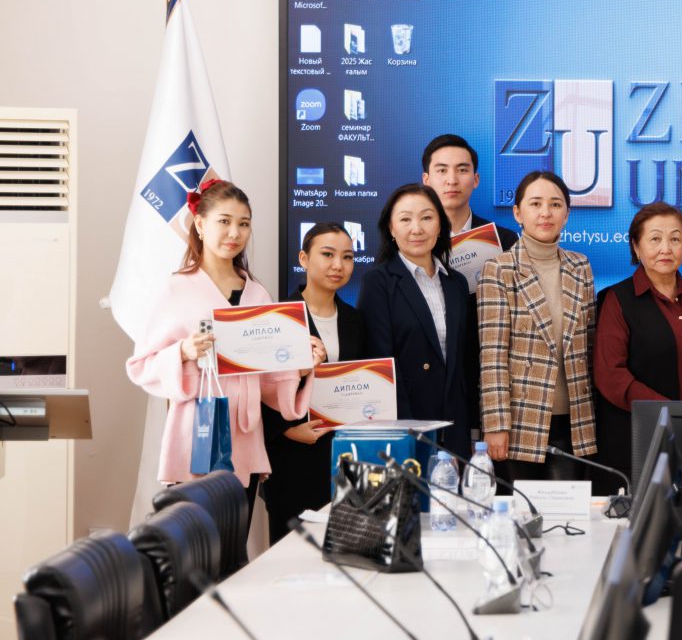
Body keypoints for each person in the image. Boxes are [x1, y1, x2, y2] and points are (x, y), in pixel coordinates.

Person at [126, 180, 314, 512]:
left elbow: (268, 382)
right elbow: (140, 366)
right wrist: (182, 352)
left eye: (244, 224)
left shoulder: (257, 294)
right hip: (195, 438)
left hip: (244, 441)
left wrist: (299, 367)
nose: (235, 233)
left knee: (234, 541)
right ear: (200, 224)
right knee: (196, 540)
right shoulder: (177, 289)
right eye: (224, 221)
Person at [593, 202, 682, 491]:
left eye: (675, 238)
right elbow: (610, 375)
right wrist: (667, 410)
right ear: (636, 246)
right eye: (655, 239)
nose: (666, 248)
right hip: (636, 441)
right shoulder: (616, 298)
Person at [478, 170, 597, 483]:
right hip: (520, 421)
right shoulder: (499, 269)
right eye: (535, 204)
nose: (546, 212)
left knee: (570, 510)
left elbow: (590, 345)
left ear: (566, 214)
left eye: (555, 204)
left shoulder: (581, 266)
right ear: (518, 213)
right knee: (521, 510)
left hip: (574, 420)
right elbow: (492, 356)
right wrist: (496, 424)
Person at [260, 223, 368, 544]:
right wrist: (287, 429)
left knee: (344, 552)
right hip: (293, 459)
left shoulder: (356, 320)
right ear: (304, 259)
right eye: (328, 254)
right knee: (291, 554)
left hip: (345, 459)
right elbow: (254, 388)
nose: (338, 265)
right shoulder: (276, 319)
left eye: (347, 257)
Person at [356, 185, 480, 462]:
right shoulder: (378, 282)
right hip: (406, 427)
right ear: (391, 228)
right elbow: (380, 363)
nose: (417, 228)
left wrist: (471, 428)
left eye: (426, 217)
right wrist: (407, 429)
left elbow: (465, 362)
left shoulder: (457, 283)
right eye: (405, 219)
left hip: (455, 428)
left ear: (440, 225)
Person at [421, 133, 517, 249]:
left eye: (462, 170)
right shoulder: (413, 240)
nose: (452, 181)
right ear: (426, 180)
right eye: (442, 170)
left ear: (475, 180)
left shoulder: (505, 241)